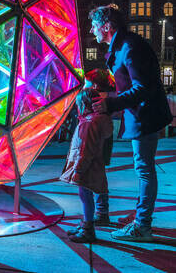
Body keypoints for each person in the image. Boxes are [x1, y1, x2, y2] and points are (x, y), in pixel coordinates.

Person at [89, 5, 173, 242]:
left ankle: (142, 226)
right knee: (143, 168)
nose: (92, 29)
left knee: (144, 169)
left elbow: (143, 87)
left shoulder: (129, 47)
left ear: (106, 26)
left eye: (94, 25)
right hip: (140, 115)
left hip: (144, 116)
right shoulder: (124, 46)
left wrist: (110, 103)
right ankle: (141, 221)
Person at [60, 73, 114, 243]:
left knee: (85, 195)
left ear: (84, 104)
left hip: (86, 167)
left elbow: (86, 150)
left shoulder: (89, 124)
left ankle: (88, 228)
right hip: (93, 165)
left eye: (78, 106)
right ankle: (86, 222)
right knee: (87, 195)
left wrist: (78, 170)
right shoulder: (97, 120)